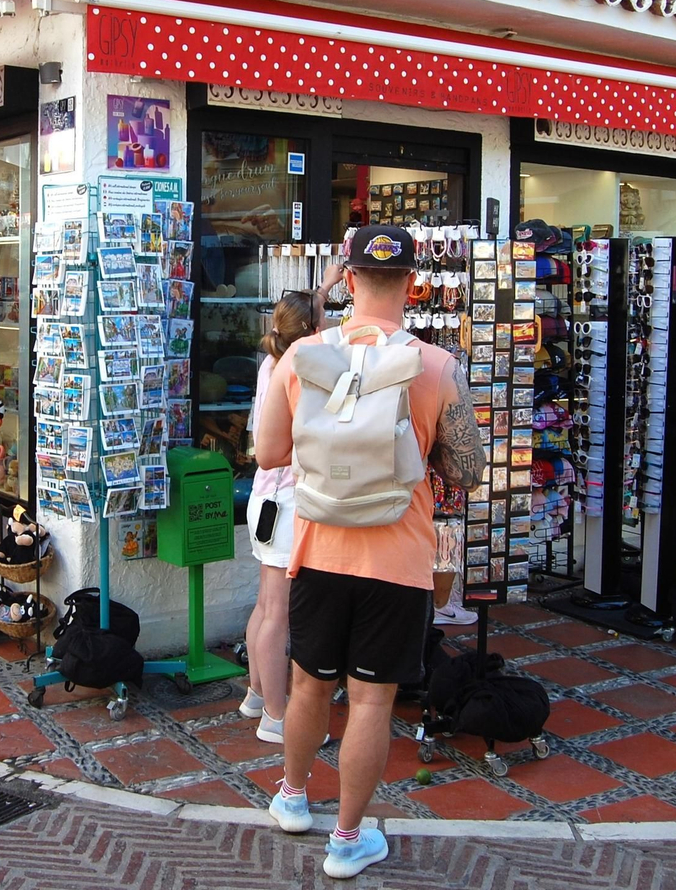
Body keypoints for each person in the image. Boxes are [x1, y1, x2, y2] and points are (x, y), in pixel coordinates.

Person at [255, 224, 485, 880]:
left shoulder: (304, 355)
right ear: (411, 281)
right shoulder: (436, 366)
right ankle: (348, 840)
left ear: (350, 279)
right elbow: (468, 471)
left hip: (318, 551)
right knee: (372, 702)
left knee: (308, 685)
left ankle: (292, 797)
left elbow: (269, 453)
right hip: (398, 560)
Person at [242, 264, 343, 744]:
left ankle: (257, 694)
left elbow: (305, 315)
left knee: (265, 605)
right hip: (283, 503)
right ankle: (277, 718)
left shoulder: (272, 362)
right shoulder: (298, 372)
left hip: (264, 499)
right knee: (278, 613)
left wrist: (326, 286)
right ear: (311, 332)